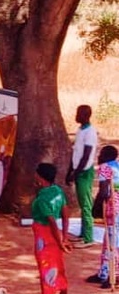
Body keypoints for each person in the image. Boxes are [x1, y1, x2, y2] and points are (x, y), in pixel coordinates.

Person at [31, 163, 70, 294]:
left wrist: (60, 242)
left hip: (44, 238)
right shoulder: (58, 191)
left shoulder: (42, 199)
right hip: (56, 237)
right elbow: (65, 215)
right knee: (59, 269)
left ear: (41, 177)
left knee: (46, 273)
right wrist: (64, 238)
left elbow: (51, 221)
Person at [87, 145, 119, 288]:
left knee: (113, 243)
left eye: (100, 153)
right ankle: (104, 272)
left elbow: (104, 191)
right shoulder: (117, 166)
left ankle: (115, 276)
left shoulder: (105, 167)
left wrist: (97, 207)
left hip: (113, 208)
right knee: (110, 241)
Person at [66, 104, 97, 248]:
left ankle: (88, 237)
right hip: (78, 169)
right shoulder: (80, 130)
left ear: (86, 115)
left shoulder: (90, 132)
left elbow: (86, 155)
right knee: (82, 203)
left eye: (79, 113)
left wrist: (76, 172)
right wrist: (69, 171)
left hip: (84, 171)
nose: (76, 116)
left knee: (86, 205)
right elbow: (76, 153)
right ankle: (83, 234)